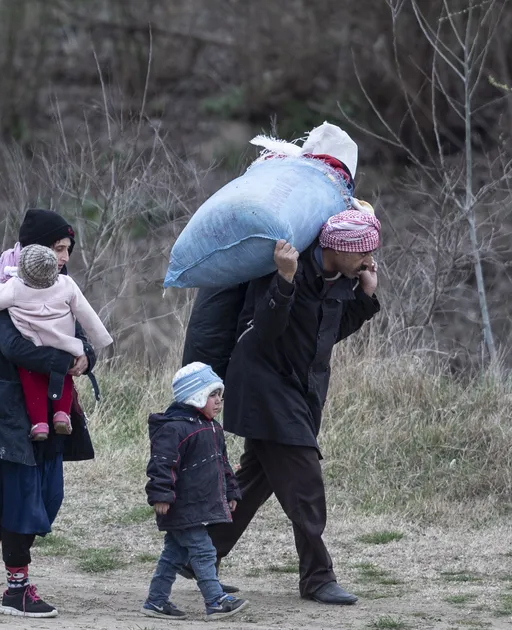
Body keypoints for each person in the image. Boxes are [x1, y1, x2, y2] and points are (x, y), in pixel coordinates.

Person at [181, 206, 383, 606]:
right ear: (339, 248)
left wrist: (365, 297)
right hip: (265, 388)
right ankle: (318, 577)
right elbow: (263, 330)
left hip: (299, 393)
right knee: (305, 483)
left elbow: (326, 333)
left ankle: (197, 554)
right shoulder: (289, 270)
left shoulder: (337, 278)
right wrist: (285, 280)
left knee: (255, 482)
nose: (368, 260)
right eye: (363, 252)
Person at [0, 208, 96, 619]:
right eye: (57, 248)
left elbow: (79, 334)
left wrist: (89, 356)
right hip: (4, 412)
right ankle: (16, 589)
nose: (64, 257)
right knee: (22, 501)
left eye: (67, 249)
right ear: (36, 249)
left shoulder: (60, 286)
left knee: (48, 499)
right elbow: (13, 347)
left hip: (50, 409)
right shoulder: (3, 286)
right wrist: (67, 359)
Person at [0, 243, 113, 441]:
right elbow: (86, 313)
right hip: (65, 345)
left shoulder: (15, 288)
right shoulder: (66, 284)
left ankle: (40, 424)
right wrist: (100, 339)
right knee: (65, 377)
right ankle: (62, 415)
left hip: (33, 346)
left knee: (32, 381)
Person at [141, 362, 248, 621]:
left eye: (220, 395)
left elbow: (222, 463)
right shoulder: (174, 427)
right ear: (195, 395)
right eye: (213, 395)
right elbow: (161, 464)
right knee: (203, 551)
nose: (219, 401)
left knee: (174, 555)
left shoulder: (213, 427)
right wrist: (161, 495)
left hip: (199, 504)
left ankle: (155, 601)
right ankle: (215, 600)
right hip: (182, 505)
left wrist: (231, 492)